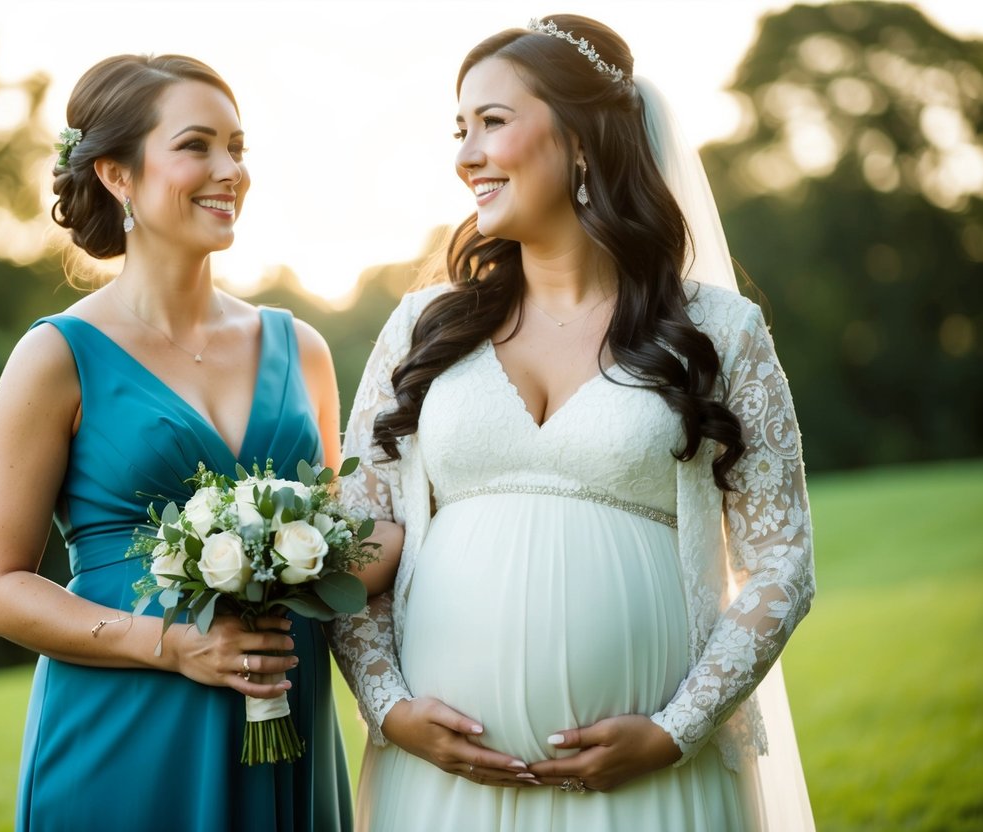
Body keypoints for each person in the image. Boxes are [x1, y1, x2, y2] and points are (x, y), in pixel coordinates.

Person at [329, 15, 816, 831]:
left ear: (582, 140)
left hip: (652, 783)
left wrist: (675, 730)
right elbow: (358, 532)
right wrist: (389, 707)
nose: (465, 155)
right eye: (459, 129)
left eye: (491, 122)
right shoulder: (423, 328)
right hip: (444, 786)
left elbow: (781, 560)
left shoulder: (718, 331)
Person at [0, 54, 398, 831]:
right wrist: (170, 644)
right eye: (196, 145)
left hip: (285, 723)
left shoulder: (300, 348)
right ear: (116, 174)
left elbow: (338, 556)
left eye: (238, 147)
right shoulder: (57, 356)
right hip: (125, 728)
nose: (228, 169)